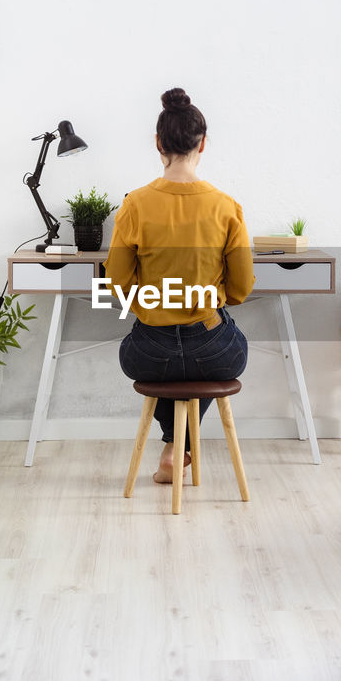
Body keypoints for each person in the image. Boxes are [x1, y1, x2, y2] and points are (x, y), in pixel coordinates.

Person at [106, 88, 254, 484]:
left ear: (158, 142)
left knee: (142, 356)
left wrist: (153, 308)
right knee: (222, 349)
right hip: (213, 349)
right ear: (202, 143)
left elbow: (117, 284)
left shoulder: (134, 205)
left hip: (151, 351)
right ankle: (180, 446)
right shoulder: (226, 207)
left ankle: (173, 444)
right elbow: (240, 290)